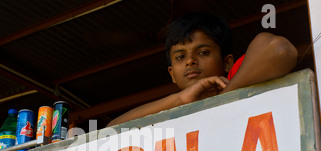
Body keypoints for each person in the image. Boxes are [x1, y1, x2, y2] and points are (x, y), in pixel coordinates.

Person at [107, 12, 298, 127]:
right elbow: (111, 130)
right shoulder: (173, 109)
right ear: (172, 74)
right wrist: (181, 99)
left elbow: (280, 50)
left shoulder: (241, 76)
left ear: (227, 63)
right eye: (181, 57)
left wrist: (223, 98)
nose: (190, 61)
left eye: (203, 52)